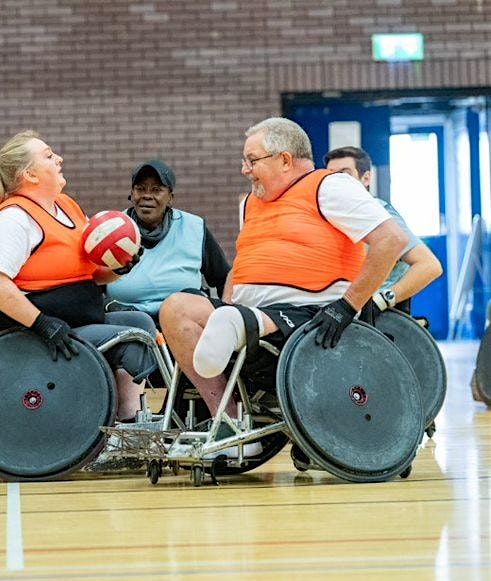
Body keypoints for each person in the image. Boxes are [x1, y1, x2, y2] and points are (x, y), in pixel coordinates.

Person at [160, 118, 408, 427]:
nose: (245, 170)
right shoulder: (251, 202)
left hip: (312, 315)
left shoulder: (330, 186)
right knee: (175, 308)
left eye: (252, 160)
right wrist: (228, 301)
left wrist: (348, 305)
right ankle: (228, 418)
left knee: (239, 318)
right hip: (252, 311)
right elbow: (244, 261)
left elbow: (391, 240)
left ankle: (237, 323)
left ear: (285, 160)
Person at [0, 130, 155, 423]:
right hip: (33, 332)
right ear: (30, 174)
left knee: (142, 323)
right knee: (130, 339)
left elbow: (90, 276)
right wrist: (41, 323)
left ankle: (125, 419)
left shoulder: (67, 206)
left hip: (77, 318)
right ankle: (122, 423)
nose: (59, 159)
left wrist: (119, 268)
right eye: (48, 156)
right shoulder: (14, 218)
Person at [105, 159, 230, 322]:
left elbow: (224, 278)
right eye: (140, 189)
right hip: (128, 321)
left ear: (170, 198)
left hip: (183, 319)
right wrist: (107, 305)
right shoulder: (112, 229)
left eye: (156, 190)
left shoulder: (194, 227)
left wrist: (226, 317)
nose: (147, 196)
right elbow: (92, 283)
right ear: (132, 194)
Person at [324, 146, 442, 314]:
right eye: (330, 176)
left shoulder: (380, 211)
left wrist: (381, 300)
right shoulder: (331, 215)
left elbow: (429, 266)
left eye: (344, 175)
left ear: (366, 178)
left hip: (371, 316)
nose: (337, 183)